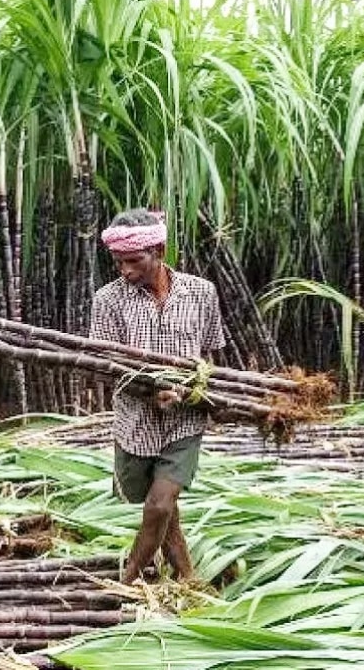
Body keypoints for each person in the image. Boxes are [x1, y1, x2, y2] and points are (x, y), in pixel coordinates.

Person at [88, 208, 226, 585]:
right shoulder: (108, 300)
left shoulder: (201, 292)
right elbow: (108, 367)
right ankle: (187, 577)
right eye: (119, 262)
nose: (125, 270)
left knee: (160, 503)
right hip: (135, 423)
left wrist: (199, 393)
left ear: (160, 251)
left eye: (134, 261)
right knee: (160, 508)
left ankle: (127, 581)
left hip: (186, 420)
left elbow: (210, 354)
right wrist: (152, 394)